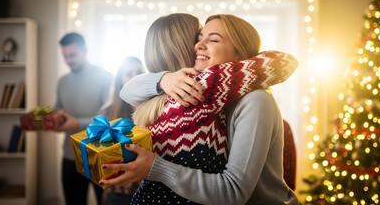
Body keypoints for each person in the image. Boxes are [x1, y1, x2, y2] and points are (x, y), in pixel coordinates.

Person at [100, 14, 299, 204]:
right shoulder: (202, 92)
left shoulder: (256, 100)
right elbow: (127, 91)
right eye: (199, 38)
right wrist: (163, 79)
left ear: (239, 52)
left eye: (213, 40)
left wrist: (155, 167)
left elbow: (234, 192)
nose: (198, 45)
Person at [53, 32, 113, 205]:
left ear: (85, 51)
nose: (69, 60)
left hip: (100, 154)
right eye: (65, 56)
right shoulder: (62, 81)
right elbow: (58, 107)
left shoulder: (105, 77)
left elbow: (110, 119)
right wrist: (55, 118)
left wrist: (77, 123)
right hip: (69, 154)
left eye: (73, 55)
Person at [98, 56, 145, 205]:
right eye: (128, 74)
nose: (134, 77)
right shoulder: (107, 112)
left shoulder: (155, 110)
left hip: (148, 193)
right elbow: (99, 156)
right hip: (117, 194)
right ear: (120, 80)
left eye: (138, 72)